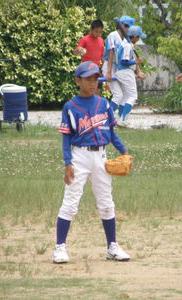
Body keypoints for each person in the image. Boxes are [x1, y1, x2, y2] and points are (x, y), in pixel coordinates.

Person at [54, 61, 131, 264]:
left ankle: (112, 247)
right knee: (70, 203)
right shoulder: (70, 107)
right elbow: (66, 138)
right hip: (79, 156)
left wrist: (124, 152)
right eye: (88, 78)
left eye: (95, 78)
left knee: (106, 202)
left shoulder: (104, 104)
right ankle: (60, 247)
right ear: (78, 81)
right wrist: (67, 163)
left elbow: (111, 133)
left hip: (101, 157)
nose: (92, 82)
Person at [103, 16, 135, 116]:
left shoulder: (123, 39)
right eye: (128, 27)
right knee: (118, 95)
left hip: (116, 68)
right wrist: (108, 72)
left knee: (123, 95)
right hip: (109, 65)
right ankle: (105, 119)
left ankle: (121, 119)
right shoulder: (113, 35)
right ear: (124, 26)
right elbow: (111, 52)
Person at [115, 25, 147, 127]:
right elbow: (124, 61)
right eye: (138, 37)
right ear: (134, 36)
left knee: (125, 97)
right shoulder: (127, 46)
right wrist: (135, 61)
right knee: (133, 96)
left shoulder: (127, 44)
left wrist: (138, 71)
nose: (138, 39)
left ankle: (120, 119)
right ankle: (123, 120)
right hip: (125, 72)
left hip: (123, 72)